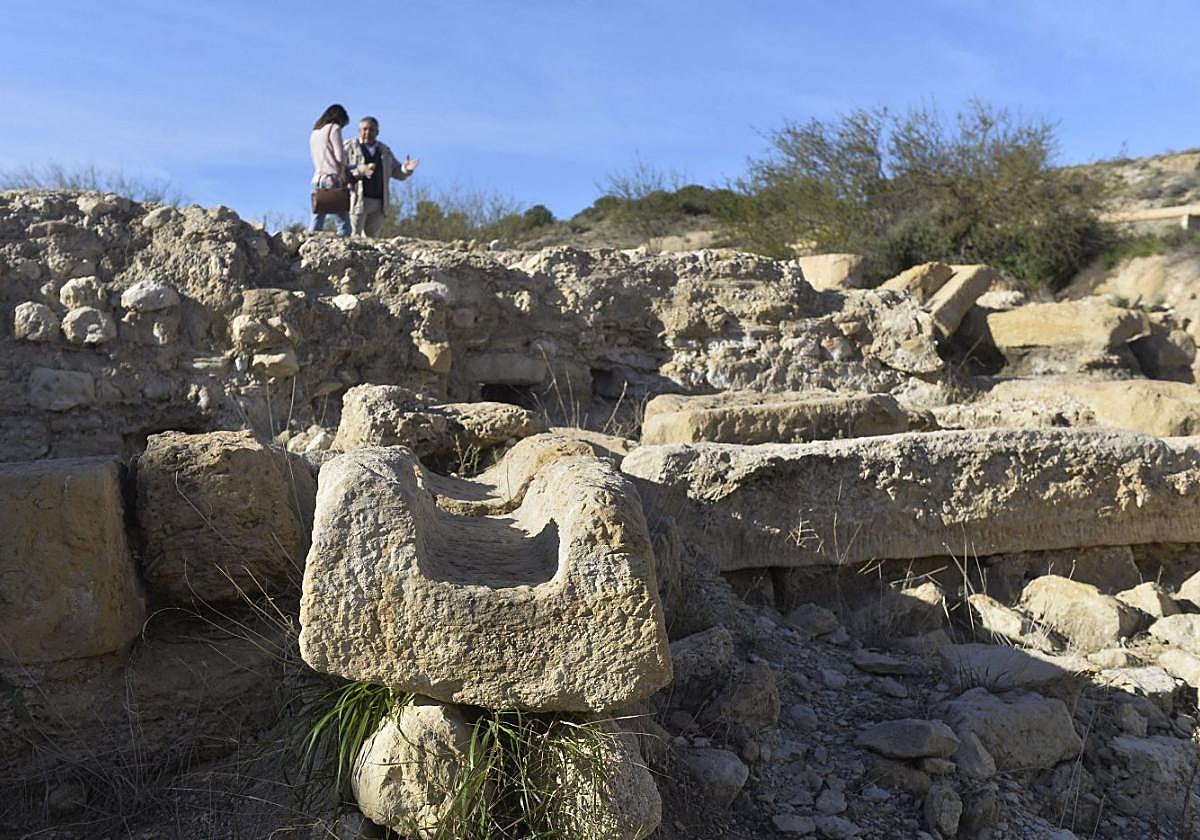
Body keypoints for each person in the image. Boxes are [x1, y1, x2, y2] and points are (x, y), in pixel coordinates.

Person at [343, 115, 420, 237]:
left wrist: (406, 168)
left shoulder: (384, 151)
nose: (368, 132)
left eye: (371, 130)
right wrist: (360, 171)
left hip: (379, 202)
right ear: (359, 131)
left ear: (377, 132)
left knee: (372, 239)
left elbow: (396, 171)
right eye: (365, 129)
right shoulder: (349, 147)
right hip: (356, 199)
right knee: (353, 236)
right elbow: (341, 169)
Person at [309, 104, 374, 236]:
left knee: (317, 219)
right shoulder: (334, 128)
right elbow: (339, 157)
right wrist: (355, 166)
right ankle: (343, 250)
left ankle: (309, 245)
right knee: (343, 224)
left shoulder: (315, 133)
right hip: (332, 180)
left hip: (317, 179)